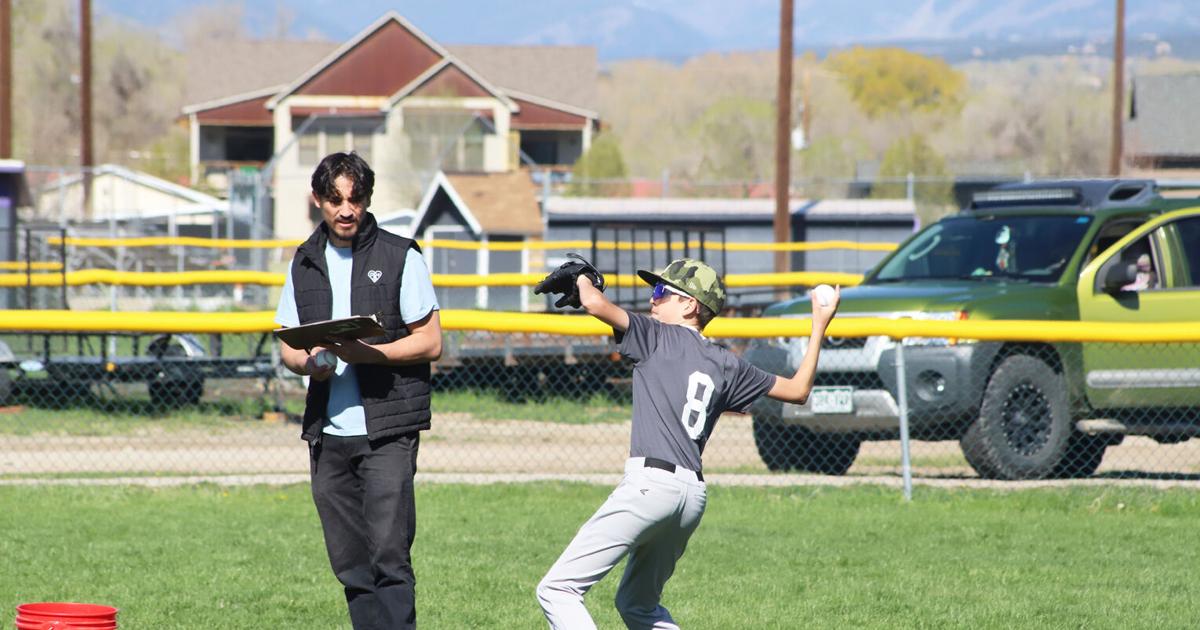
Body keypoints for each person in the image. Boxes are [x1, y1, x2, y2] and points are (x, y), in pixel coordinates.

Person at [535, 258, 839, 630]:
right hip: (691, 497)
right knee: (638, 605)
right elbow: (798, 390)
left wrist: (584, 278)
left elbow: (596, 305)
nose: (652, 300)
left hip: (650, 486)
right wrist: (819, 324)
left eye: (662, 292)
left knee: (557, 589)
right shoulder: (728, 363)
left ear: (690, 305)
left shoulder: (655, 336)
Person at [275, 151, 442, 630]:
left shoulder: (400, 255)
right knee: (350, 566)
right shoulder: (304, 261)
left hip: (388, 430)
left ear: (368, 199)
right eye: (334, 199)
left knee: (389, 559)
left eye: (355, 199)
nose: (345, 210)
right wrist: (311, 363)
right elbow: (289, 346)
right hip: (328, 435)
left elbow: (431, 341)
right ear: (318, 200)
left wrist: (371, 354)